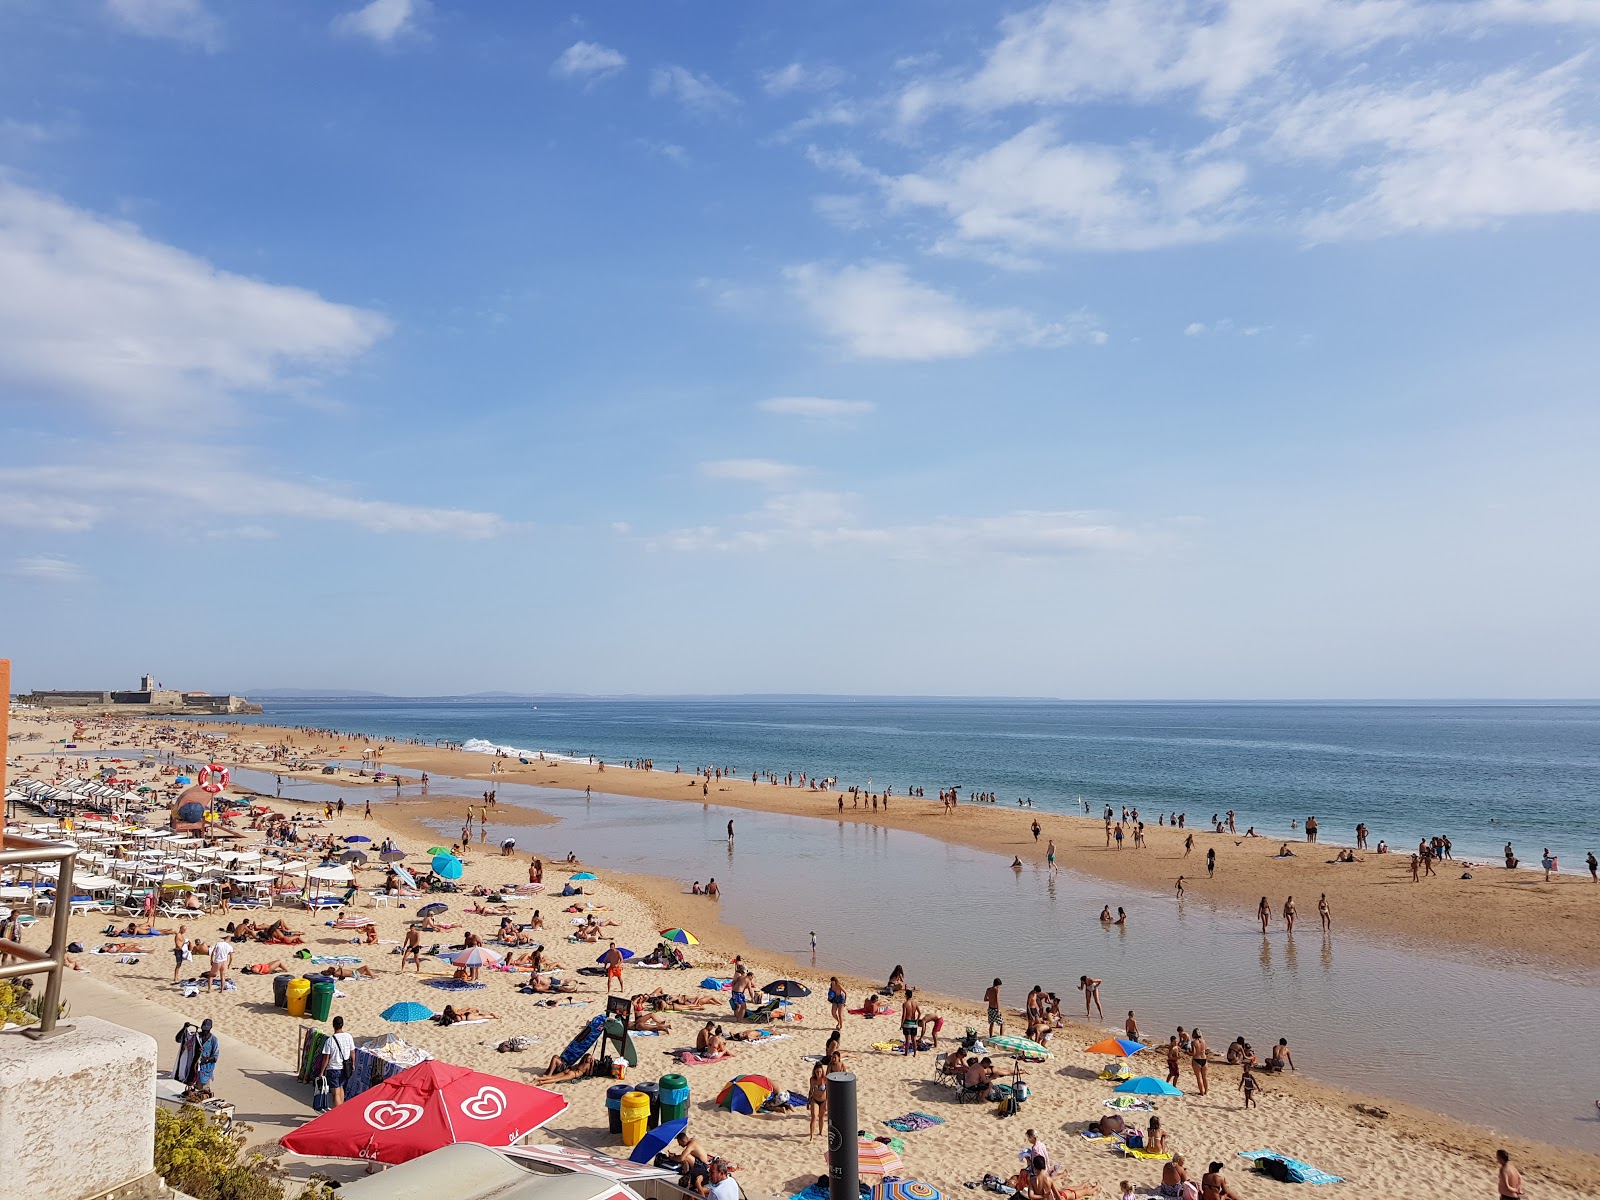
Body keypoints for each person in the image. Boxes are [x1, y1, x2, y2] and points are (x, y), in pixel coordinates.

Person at [323, 1014, 355, 1105]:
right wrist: (353, 1064)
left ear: (333, 1026)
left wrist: (322, 1071)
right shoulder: (348, 1036)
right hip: (345, 1068)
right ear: (342, 1025)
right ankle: (341, 1110)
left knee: (335, 1093)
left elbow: (326, 1057)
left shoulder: (330, 1040)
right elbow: (352, 1052)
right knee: (341, 1088)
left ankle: (337, 1113)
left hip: (333, 1068)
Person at [806, 1060, 828, 1140]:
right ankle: (811, 1135)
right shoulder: (812, 1079)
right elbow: (811, 1090)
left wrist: (827, 1103)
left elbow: (828, 1092)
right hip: (814, 1100)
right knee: (814, 1116)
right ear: (814, 1072)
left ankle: (820, 1132)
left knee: (821, 1117)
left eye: (820, 1072)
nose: (818, 1073)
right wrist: (808, 1102)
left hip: (823, 1100)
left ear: (822, 1072)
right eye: (817, 1072)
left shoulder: (825, 1080)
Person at [900, 988, 922, 1055]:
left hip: (907, 1022)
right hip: (914, 1023)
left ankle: (906, 1053)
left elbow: (904, 1015)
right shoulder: (915, 1003)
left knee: (907, 1040)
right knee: (914, 1039)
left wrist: (901, 1024)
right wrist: (917, 1020)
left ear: (906, 995)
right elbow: (920, 1013)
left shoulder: (905, 1004)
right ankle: (915, 1053)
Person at [1190, 1029, 1209, 1095]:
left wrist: (1187, 1052)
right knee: (1205, 1077)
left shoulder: (1193, 1042)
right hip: (1204, 1059)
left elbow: (1193, 1053)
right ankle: (1206, 1091)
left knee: (1199, 1077)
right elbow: (1205, 1050)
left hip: (1196, 1060)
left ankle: (1201, 1092)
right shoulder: (1203, 1041)